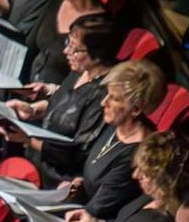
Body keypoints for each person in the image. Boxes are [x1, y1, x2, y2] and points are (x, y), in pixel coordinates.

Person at [56, 59, 163, 222]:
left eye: (114, 99)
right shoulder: (115, 125)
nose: (103, 102)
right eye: (107, 94)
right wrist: (78, 181)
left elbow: (95, 210)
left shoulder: (136, 154)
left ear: (136, 109)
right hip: (78, 203)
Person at [7, 14, 115, 178]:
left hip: (57, 175)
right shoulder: (80, 71)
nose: (66, 51)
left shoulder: (103, 95)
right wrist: (33, 109)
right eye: (68, 43)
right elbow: (62, 103)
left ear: (97, 53)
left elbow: (75, 153)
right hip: (37, 156)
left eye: (74, 48)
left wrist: (28, 140)